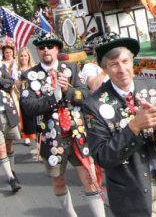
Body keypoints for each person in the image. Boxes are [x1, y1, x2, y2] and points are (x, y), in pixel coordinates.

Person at [82, 33, 156, 216]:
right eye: (114, 64)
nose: (122, 69)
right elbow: (102, 156)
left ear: (133, 62)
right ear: (104, 68)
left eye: (125, 61)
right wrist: (134, 127)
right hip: (132, 193)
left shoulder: (152, 85)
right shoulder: (94, 104)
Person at [20, 33, 105, 217]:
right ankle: (70, 214)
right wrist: (53, 97)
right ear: (37, 50)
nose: (46, 50)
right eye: (41, 47)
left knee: (90, 180)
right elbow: (28, 107)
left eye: (50, 46)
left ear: (57, 48)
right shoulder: (29, 75)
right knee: (59, 182)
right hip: (52, 140)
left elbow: (87, 97)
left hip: (78, 135)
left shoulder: (72, 68)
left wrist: (68, 91)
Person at [0, 42, 20, 193]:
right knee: (1, 148)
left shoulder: (1, 67)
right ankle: (12, 179)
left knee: (9, 144)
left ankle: (12, 172)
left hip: (6, 110)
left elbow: (10, 82)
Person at [14, 47, 37, 155]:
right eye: (21, 56)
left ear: (29, 57)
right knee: (24, 119)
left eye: (25, 56)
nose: (23, 58)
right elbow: (16, 87)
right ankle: (27, 137)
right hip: (21, 98)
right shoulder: (16, 70)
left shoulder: (34, 68)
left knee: (36, 120)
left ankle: (38, 144)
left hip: (34, 97)